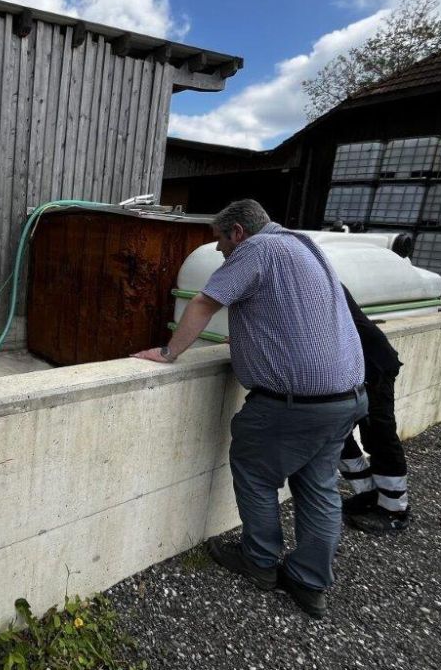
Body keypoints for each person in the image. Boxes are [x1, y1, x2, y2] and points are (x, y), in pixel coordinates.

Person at [133, 199, 368, 619]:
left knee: (255, 470)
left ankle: (259, 563)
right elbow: (287, 318)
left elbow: (206, 302)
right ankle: (310, 583)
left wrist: (168, 352)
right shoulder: (302, 245)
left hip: (294, 406)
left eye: (221, 242)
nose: (221, 251)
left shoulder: (257, 250)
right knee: (318, 488)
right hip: (346, 398)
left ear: (238, 232)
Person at [338, 286, 411, 533]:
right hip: (352, 366)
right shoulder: (313, 270)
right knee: (336, 433)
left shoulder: (312, 277)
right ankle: (368, 494)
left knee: (379, 435)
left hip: (372, 365)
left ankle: (395, 510)